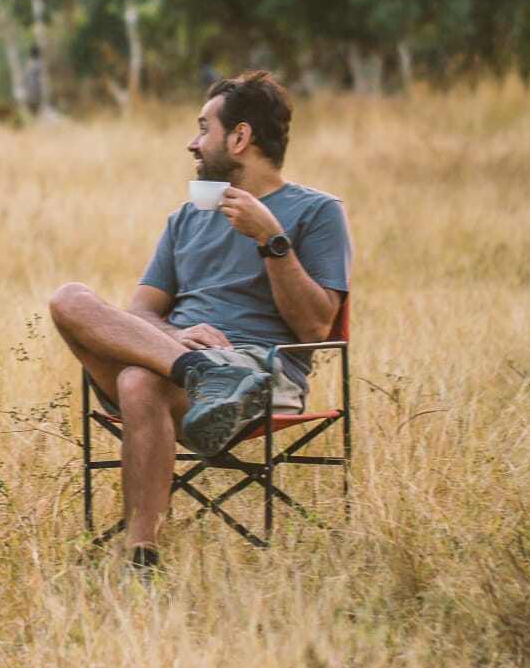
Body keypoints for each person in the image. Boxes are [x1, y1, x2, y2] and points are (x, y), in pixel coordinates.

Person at [48, 70, 352, 571]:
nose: (193, 143)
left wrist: (272, 240)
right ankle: (202, 373)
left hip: (259, 374)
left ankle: (141, 558)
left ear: (240, 137)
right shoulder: (186, 218)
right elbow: (142, 312)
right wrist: (175, 337)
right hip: (180, 362)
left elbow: (316, 329)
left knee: (140, 381)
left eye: (203, 128)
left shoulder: (316, 212)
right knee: (68, 299)